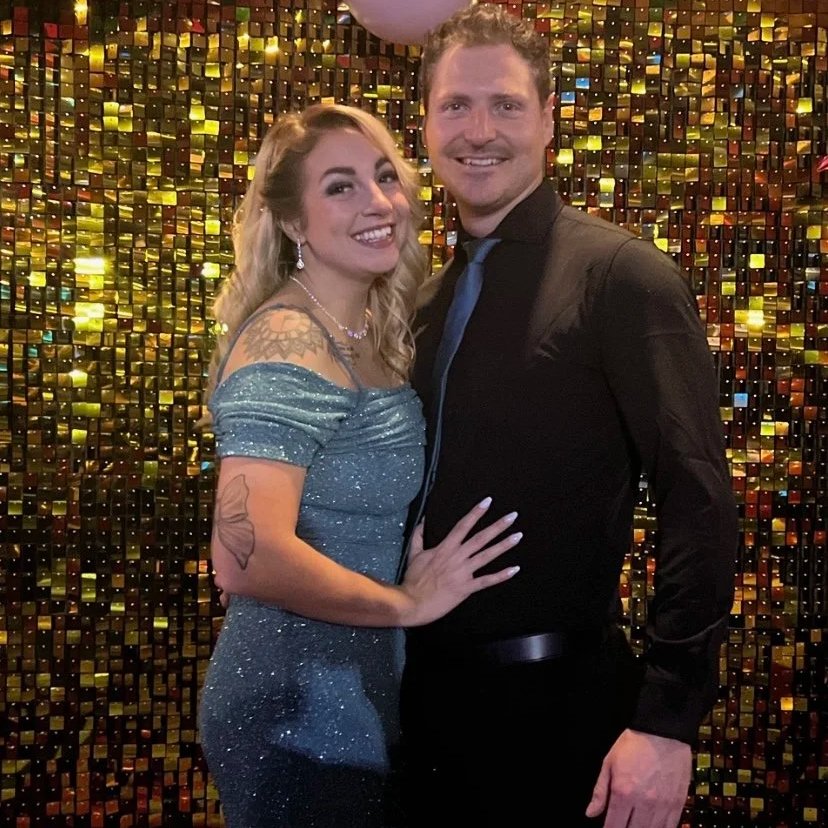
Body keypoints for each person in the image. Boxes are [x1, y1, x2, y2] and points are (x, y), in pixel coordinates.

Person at [398, 5, 738, 828]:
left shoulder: (623, 277)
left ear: (549, 120)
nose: (479, 130)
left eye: (506, 105)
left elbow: (700, 502)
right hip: (418, 718)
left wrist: (667, 720)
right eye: (456, 106)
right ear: (427, 123)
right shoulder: (421, 301)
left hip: (563, 726)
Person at [197, 103, 523, 828]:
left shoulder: (366, 333)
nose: (378, 203)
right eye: (339, 187)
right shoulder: (289, 339)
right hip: (296, 716)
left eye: (384, 177)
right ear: (290, 222)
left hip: (355, 701)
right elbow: (245, 558)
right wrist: (408, 603)